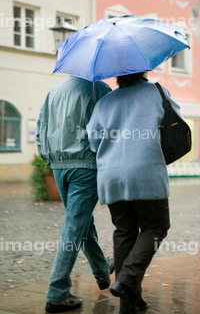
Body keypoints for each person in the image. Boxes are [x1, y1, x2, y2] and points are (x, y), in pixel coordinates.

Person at [87, 72, 184, 314]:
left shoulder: (105, 102)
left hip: (112, 175)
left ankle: (130, 303)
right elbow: (177, 122)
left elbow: (93, 141)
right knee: (156, 227)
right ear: (143, 70)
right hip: (146, 172)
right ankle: (126, 279)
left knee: (125, 232)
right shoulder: (156, 92)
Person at [36, 75, 114, 313]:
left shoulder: (55, 91)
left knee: (80, 222)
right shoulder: (100, 89)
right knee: (74, 227)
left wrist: (49, 158)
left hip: (59, 166)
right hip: (86, 167)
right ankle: (57, 292)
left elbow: (41, 128)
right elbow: (110, 128)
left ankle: (101, 270)